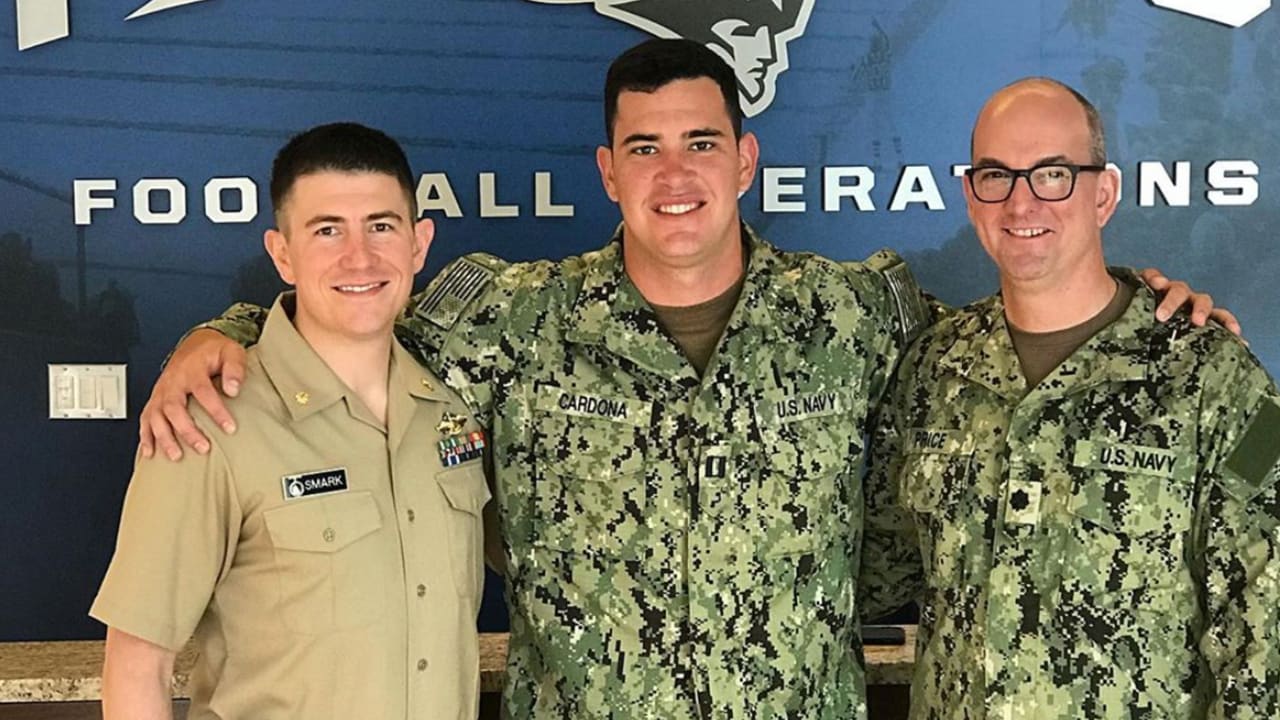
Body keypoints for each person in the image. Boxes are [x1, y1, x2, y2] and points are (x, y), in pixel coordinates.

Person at [138, 43, 1231, 719]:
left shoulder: (852, 312)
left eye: (700, 143)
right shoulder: (514, 319)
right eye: (645, 149)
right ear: (608, 169)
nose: (675, 176)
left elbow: (1025, 328)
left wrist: (1147, 304)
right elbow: (350, 304)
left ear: (744, 160)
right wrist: (222, 328)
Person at [865, 78, 1279, 719]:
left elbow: (1265, 635)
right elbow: (869, 568)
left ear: (1104, 194)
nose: (1022, 202)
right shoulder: (932, 367)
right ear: (972, 198)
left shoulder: (1214, 376)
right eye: (996, 175)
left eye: (1053, 173)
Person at [92, 123, 489, 720]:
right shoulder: (210, 421)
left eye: (382, 226)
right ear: (282, 253)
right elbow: (136, 667)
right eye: (327, 231)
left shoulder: (451, 415)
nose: (360, 257)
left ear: (419, 244)